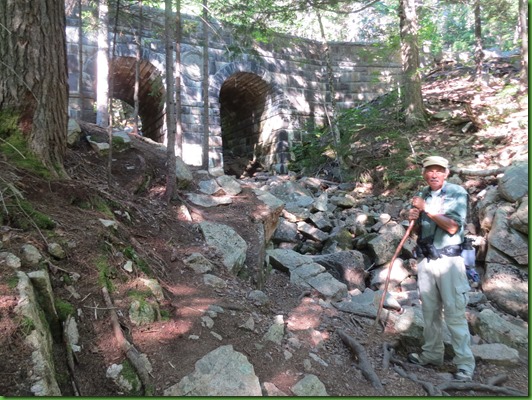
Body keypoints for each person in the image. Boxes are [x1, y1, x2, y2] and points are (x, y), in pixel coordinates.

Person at [407, 156, 475, 382]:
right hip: (426, 260)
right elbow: (420, 231)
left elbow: (453, 227)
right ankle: (432, 354)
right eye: (430, 170)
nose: (433, 174)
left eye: (438, 170)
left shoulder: (456, 192)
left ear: (447, 173)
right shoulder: (423, 194)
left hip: (449, 262)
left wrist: (425, 208)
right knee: (429, 311)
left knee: (454, 313)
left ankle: (464, 364)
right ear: (424, 174)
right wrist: (414, 218)